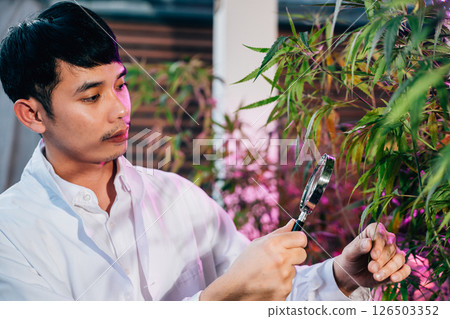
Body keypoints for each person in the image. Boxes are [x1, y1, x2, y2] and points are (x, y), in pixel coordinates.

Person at [0, 1, 410, 301]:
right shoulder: (10, 234)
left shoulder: (180, 199)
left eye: (120, 85)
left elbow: (269, 296)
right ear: (32, 114)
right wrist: (219, 300)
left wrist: (341, 275)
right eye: (91, 97)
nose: (120, 109)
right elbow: (236, 293)